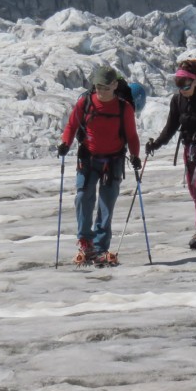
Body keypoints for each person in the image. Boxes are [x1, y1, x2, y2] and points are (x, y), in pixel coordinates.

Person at [57, 64, 141, 265]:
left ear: (114, 85)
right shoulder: (85, 103)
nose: (101, 91)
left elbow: (131, 135)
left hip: (114, 161)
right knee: (83, 197)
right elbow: (72, 126)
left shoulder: (124, 108)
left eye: (105, 87)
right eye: (98, 87)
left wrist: (135, 155)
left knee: (106, 203)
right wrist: (65, 144)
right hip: (88, 158)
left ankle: (101, 246)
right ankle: (86, 241)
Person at [145, 59, 196, 250]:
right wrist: (156, 144)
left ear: (195, 81)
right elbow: (171, 127)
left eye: (185, 83)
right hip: (190, 149)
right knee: (195, 191)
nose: (182, 87)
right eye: (178, 83)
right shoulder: (177, 100)